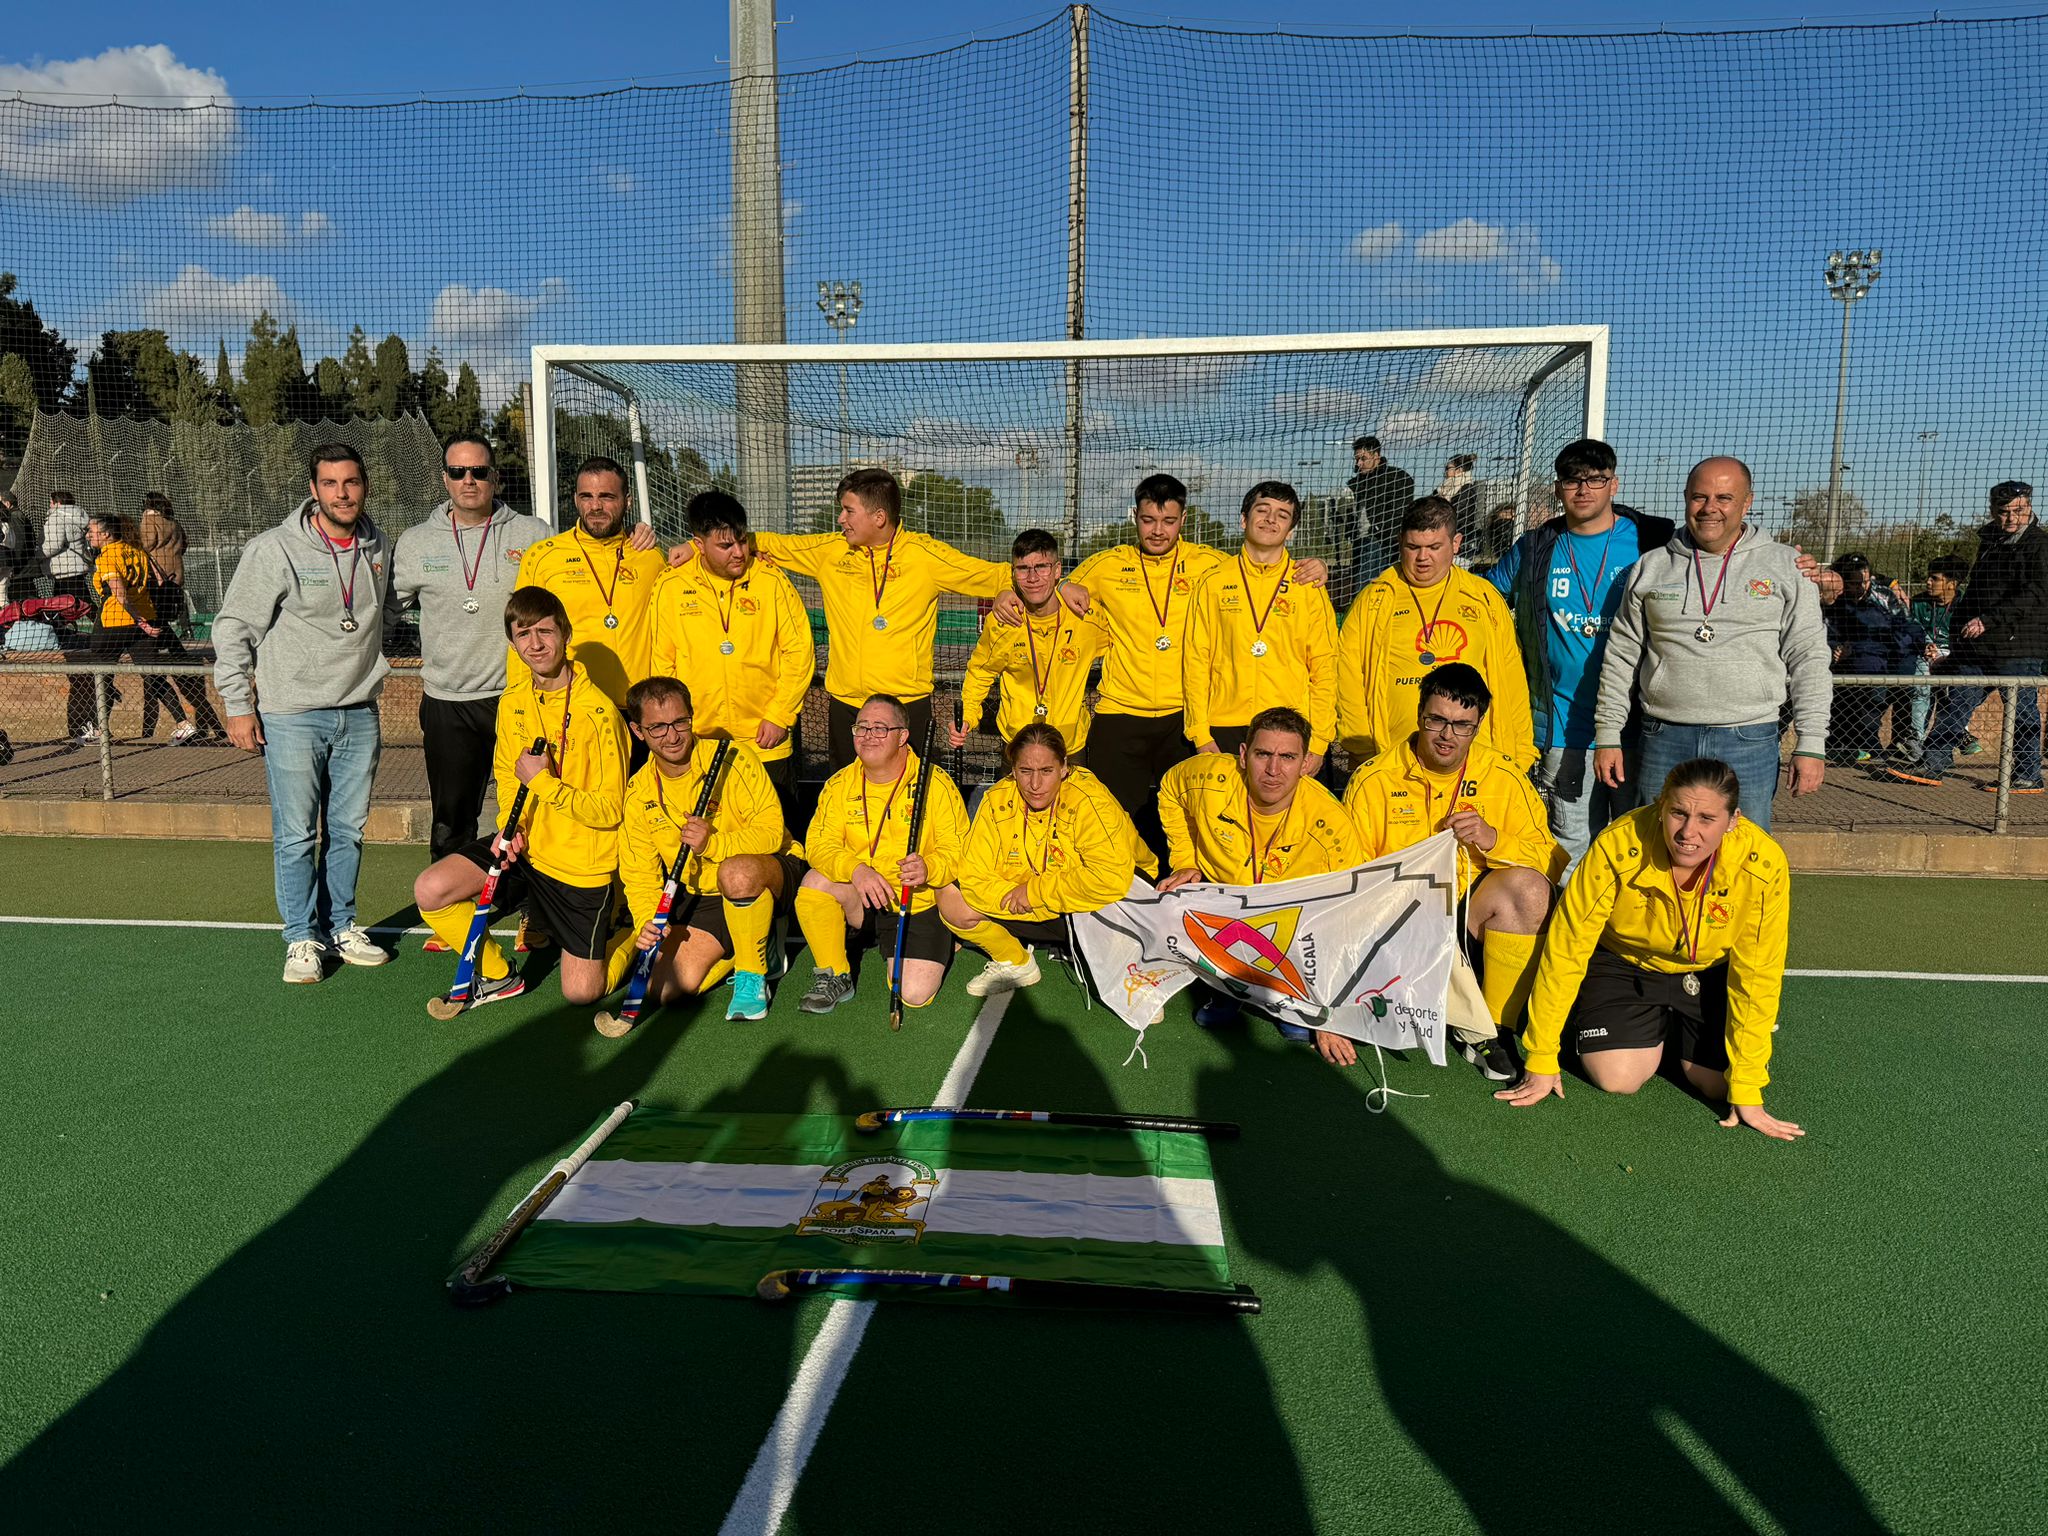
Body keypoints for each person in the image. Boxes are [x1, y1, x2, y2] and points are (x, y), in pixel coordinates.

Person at [1496, 758, 1805, 1142]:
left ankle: (1669, 1030)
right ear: (1661, 806)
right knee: (1618, 1078)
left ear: (1733, 820)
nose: (1688, 832)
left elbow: (1758, 975)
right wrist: (1542, 1055)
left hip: (1704, 969)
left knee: (1719, 1087)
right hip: (1624, 962)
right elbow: (1567, 947)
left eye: (1707, 819)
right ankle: (1617, 1022)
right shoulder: (1619, 844)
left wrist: (1747, 1085)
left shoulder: (1764, 863)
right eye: (1678, 812)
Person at [1063, 473, 1328, 863]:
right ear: (1134, 516)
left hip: (1181, 717)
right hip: (1121, 711)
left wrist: (1316, 565)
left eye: (1168, 521)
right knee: (1116, 819)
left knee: (1190, 821)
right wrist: (1064, 584)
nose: (1158, 531)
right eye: (1149, 520)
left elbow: (1259, 568)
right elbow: (1051, 584)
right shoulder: (1107, 564)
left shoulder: (1208, 566)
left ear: (1183, 520)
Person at [213, 444, 396, 984]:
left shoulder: (379, 544)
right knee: (296, 834)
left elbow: (391, 606)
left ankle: (341, 925)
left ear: (364, 486)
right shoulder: (274, 549)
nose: (343, 493)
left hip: (360, 710)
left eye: (352, 482)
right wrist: (238, 705)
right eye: (331, 483)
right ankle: (300, 938)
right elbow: (233, 628)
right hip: (292, 713)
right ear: (313, 490)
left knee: (348, 830)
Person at [413, 586, 632, 1015]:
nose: (535, 644)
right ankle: (498, 975)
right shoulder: (513, 700)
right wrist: (510, 831)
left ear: (565, 634)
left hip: (580, 864)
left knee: (582, 993)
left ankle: (633, 930)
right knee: (431, 889)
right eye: (523, 634)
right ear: (512, 642)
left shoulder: (600, 713)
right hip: (528, 848)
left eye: (545, 631)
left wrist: (545, 783)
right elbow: (506, 776)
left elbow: (611, 810)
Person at [1342, 664, 1562, 1080]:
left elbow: (1551, 862)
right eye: (1437, 720)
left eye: (1462, 725)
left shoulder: (1503, 774)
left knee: (1532, 891)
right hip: (1399, 908)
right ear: (1419, 715)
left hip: (1472, 907)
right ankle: (1449, 1009)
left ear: (1478, 727)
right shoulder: (1374, 779)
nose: (1447, 735)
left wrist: (1493, 839)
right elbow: (1352, 877)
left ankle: (1493, 1028)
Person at [737, 468, 1031, 773]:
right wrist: (694, 548)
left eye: (849, 510)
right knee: (847, 795)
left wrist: (1005, 590)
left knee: (911, 799)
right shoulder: (830, 551)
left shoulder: (924, 555)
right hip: (847, 706)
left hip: (906, 706)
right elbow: (765, 542)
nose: (841, 519)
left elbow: (998, 573)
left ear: (878, 517)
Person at [1592, 457, 1830, 833]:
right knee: (1657, 849)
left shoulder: (1785, 566)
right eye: (1699, 497)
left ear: (1747, 502)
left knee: (1743, 857)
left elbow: (1809, 657)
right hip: (1663, 735)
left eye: (1724, 497)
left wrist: (1811, 741)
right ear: (1686, 498)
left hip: (1749, 737)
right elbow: (1621, 656)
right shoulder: (1651, 566)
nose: (1710, 508)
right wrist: (1607, 734)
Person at [1487, 440, 1676, 872]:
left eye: (1595, 480)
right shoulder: (1535, 546)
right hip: (1562, 728)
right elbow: (1483, 596)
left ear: (1614, 484)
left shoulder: (1655, 539)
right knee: (1570, 845)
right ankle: (1569, 936)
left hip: (1638, 725)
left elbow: (1716, 560)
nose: (1584, 489)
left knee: (1640, 840)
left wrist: (1797, 567)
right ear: (1558, 489)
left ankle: (1627, 936)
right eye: (1573, 480)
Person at [1156, 705, 1365, 1058]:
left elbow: (1351, 916)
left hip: (1292, 927)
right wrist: (1186, 860)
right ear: (1242, 755)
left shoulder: (1331, 823)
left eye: (1287, 757)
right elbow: (1169, 790)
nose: (1273, 769)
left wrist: (1330, 1016)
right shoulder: (1206, 777)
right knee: (1169, 898)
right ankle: (1225, 987)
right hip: (1224, 910)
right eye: (1263, 754)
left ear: (1305, 764)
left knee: (1298, 1025)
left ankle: (1291, 996)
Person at [393, 434, 552, 885]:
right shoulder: (416, 541)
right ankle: (452, 907)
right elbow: (382, 610)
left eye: (479, 471)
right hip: (449, 701)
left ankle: (533, 908)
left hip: (519, 696)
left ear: (495, 477)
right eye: (459, 471)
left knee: (532, 809)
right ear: (444, 478)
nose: (469, 480)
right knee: (452, 818)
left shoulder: (533, 534)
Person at [617, 675, 807, 1023]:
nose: (672, 736)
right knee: (666, 990)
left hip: (769, 869)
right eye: (657, 727)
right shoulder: (639, 791)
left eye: (680, 722)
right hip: (701, 893)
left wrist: (713, 843)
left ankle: (752, 973)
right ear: (637, 730)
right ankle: (749, 939)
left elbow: (770, 833)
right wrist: (648, 918)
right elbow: (638, 872)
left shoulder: (733, 757)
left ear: (692, 717)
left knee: (734, 872)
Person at [937, 722, 1158, 997]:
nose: (1035, 784)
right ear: (1013, 770)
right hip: (1047, 902)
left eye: (1046, 771)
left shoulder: (1090, 801)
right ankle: (1015, 961)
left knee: (1136, 998)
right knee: (951, 896)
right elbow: (973, 876)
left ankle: (1115, 955)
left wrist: (1034, 893)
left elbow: (1111, 879)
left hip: (1103, 903)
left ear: (1064, 767)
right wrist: (1027, 897)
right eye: (1025, 771)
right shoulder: (997, 799)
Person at [793, 693, 970, 1013]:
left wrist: (929, 867)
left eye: (879, 728)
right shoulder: (839, 785)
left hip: (916, 901)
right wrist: (856, 869)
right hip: (865, 898)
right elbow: (818, 845)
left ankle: (944, 937)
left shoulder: (936, 784)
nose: (868, 736)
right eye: (861, 728)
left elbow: (958, 850)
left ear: (903, 736)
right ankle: (835, 974)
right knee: (814, 883)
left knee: (913, 994)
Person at [648, 489, 814, 823]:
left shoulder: (771, 581)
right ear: (698, 545)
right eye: (726, 546)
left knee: (778, 833)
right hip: (700, 739)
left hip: (764, 737)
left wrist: (780, 715)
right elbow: (661, 664)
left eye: (741, 541)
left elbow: (799, 651)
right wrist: (678, 728)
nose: (739, 552)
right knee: (710, 830)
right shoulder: (671, 586)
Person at [1338, 496, 1536, 774]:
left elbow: (1511, 677)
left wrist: (1522, 752)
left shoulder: (1483, 598)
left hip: (1477, 763)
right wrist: (1363, 748)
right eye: (1413, 547)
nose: (1422, 558)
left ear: (1455, 544)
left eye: (1434, 547)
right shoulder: (1375, 599)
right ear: (1400, 542)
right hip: (1394, 762)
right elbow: (1348, 678)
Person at [1886, 481, 2046, 793]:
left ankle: (2027, 774)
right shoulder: (1990, 542)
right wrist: (1958, 646)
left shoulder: (2040, 546)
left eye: (2019, 511)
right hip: (1980, 647)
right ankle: (1932, 763)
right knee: (1957, 701)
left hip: (2019, 646)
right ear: (1993, 511)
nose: (2011, 518)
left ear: (2029, 508)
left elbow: (2036, 593)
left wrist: (1989, 620)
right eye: (2004, 512)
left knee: (2022, 709)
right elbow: (1974, 593)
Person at [1183, 481, 1340, 770]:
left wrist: (1318, 742)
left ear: (1291, 530)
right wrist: (1200, 733)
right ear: (1244, 519)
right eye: (1263, 510)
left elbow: (1324, 669)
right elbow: (1195, 661)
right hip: (1225, 726)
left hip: (1290, 728)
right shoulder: (1213, 582)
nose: (1271, 519)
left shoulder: (1307, 585)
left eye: (1282, 515)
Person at [510, 455, 665, 709]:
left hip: (640, 709)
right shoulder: (544, 556)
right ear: (575, 500)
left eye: (606, 496)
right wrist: (522, 703)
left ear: (627, 502)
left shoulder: (651, 557)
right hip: (574, 707)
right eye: (586, 496)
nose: (595, 506)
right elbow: (521, 633)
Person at [957, 528, 1109, 763]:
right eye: (1023, 569)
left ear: (1057, 570)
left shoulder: (1086, 617)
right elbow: (981, 671)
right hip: (1017, 743)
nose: (1032, 578)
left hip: (1070, 746)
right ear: (1013, 573)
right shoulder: (1001, 622)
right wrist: (968, 715)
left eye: (1042, 567)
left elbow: (1124, 645)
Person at [66, 511, 167, 746]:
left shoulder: (107, 556)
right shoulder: (137, 552)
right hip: (142, 617)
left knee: (102, 675)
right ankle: (184, 723)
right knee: (152, 673)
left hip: (114, 620)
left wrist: (139, 618)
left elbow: (119, 594)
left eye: (91, 531)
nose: (88, 535)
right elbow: (159, 581)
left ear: (106, 534)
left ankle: (100, 729)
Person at [135, 492, 225, 744]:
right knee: (166, 624)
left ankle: (162, 648)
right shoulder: (174, 523)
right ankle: (172, 645)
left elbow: (145, 544)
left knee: (155, 627)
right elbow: (184, 544)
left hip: (157, 581)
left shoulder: (148, 521)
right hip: (176, 576)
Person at [1821, 552, 1924, 766]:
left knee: (1906, 680)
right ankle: (1857, 744)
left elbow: (1907, 626)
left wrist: (1922, 645)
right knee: (1860, 684)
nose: (1862, 587)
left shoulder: (1884, 596)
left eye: (1866, 581)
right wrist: (1833, 649)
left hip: (1889, 658)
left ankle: (1902, 742)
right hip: (1857, 664)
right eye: (1855, 583)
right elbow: (1825, 632)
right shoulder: (1833, 601)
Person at [1904, 556, 1974, 761]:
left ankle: (1957, 736)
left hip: (1954, 654)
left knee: (1953, 689)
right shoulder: (1918, 603)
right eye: (1929, 577)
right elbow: (1911, 630)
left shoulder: (1966, 604)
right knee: (1922, 686)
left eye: (1935, 578)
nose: (1928, 582)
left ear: (1952, 584)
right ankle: (1915, 738)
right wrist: (1925, 645)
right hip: (1924, 654)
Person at [1344, 435, 1415, 606]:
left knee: (1374, 587)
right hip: (1362, 542)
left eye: (1363, 458)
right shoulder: (1358, 482)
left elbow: (1400, 510)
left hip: (1383, 542)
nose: (1358, 464)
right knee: (1364, 587)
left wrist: (1379, 529)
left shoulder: (1396, 478)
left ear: (1376, 456)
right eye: (1357, 459)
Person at [41, 491, 91, 606]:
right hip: (77, 563)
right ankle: (58, 623)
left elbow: (54, 545)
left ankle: (100, 622)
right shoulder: (79, 516)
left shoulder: (56, 517)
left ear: (57, 503)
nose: (50, 505)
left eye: (51, 502)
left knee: (83, 603)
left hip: (64, 567)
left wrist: (39, 555)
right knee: (61, 603)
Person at [1436, 454, 1481, 546]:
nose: (1445, 471)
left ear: (1459, 470)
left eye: (1448, 468)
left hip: (1460, 537)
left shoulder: (1466, 489)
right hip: (1443, 532)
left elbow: (1461, 514)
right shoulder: (1443, 488)